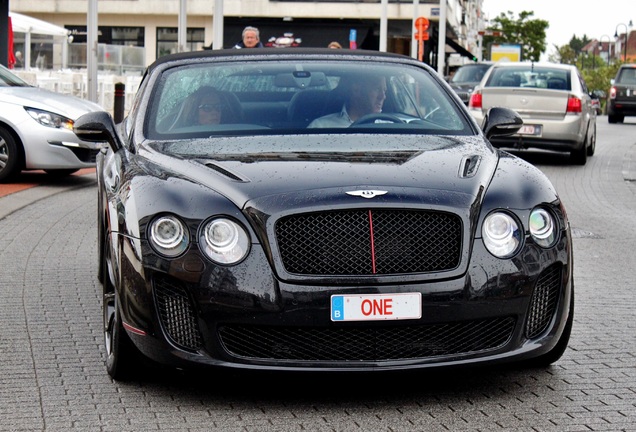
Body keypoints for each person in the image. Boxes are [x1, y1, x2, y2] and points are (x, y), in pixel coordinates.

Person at [307, 74, 387, 128]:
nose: (383, 96)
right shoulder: (321, 126)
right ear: (356, 90)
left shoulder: (391, 126)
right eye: (377, 89)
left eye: (384, 91)